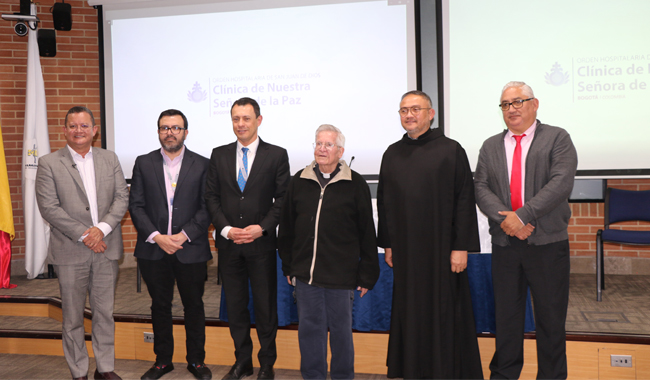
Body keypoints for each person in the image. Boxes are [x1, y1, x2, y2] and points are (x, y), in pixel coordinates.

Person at [474, 81, 577, 379]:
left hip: (548, 244)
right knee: (506, 319)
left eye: (518, 102)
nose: (512, 109)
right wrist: (507, 220)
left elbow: (560, 183)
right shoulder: (491, 145)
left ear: (535, 103)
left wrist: (523, 216)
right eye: (506, 104)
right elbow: (481, 186)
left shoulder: (557, 138)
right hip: (506, 244)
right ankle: (504, 375)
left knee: (550, 319)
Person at [377, 91, 483, 379]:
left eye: (415, 109)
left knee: (444, 311)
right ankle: (412, 367)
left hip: (442, 253)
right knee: (410, 312)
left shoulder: (451, 150)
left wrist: (461, 247)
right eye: (403, 111)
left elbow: (464, 199)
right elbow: (384, 201)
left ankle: (445, 370)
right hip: (406, 253)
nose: (408, 115)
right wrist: (387, 245)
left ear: (430, 113)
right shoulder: (392, 153)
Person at [278, 124, 379, 379]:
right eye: (318, 143)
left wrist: (367, 274)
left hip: (341, 277)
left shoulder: (355, 184)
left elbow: (367, 232)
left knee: (342, 334)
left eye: (329, 144)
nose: (322, 149)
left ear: (340, 151)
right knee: (310, 333)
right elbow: (287, 227)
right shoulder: (299, 180)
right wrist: (289, 266)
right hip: (306, 275)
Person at [35, 106, 129, 380]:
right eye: (73, 126)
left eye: (84, 126)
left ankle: (105, 368)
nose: (79, 131)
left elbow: (122, 198)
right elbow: (49, 208)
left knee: (104, 313)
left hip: (106, 247)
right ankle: (79, 371)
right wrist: (87, 235)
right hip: (70, 251)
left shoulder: (110, 159)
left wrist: (100, 229)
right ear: (64, 130)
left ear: (94, 130)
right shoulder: (49, 163)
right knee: (73, 318)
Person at [204, 97, 290, 380]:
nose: (240, 124)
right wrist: (226, 229)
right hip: (229, 245)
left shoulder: (276, 155)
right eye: (236, 119)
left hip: (262, 245)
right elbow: (211, 197)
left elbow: (283, 199)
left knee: (265, 307)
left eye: (246, 118)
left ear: (258, 120)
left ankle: (266, 363)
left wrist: (261, 228)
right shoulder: (218, 154)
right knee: (237, 307)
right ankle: (243, 361)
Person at [128, 109, 212, 380]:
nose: (170, 132)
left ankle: (196, 361)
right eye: (165, 128)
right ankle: (163, 361)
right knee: (159, 305)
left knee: (194, 305)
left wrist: (183, 235)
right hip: (154, 248)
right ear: (158, 132)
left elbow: (207, 207)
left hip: (191, 247)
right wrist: (157, 236)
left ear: (185, 132)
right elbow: (136, 206)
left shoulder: (203, 164)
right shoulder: (143, 162)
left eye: (176, 127)